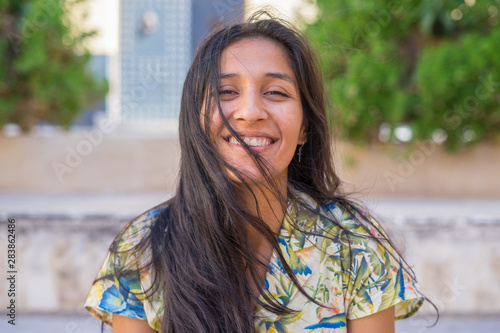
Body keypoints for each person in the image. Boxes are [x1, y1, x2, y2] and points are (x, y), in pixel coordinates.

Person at [85, 11, 425, 333]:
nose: (250, 112)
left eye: (276, 92)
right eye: (227, 92)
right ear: (196, 119)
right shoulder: (140, 251)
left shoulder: (354, 243)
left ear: (306, 126)